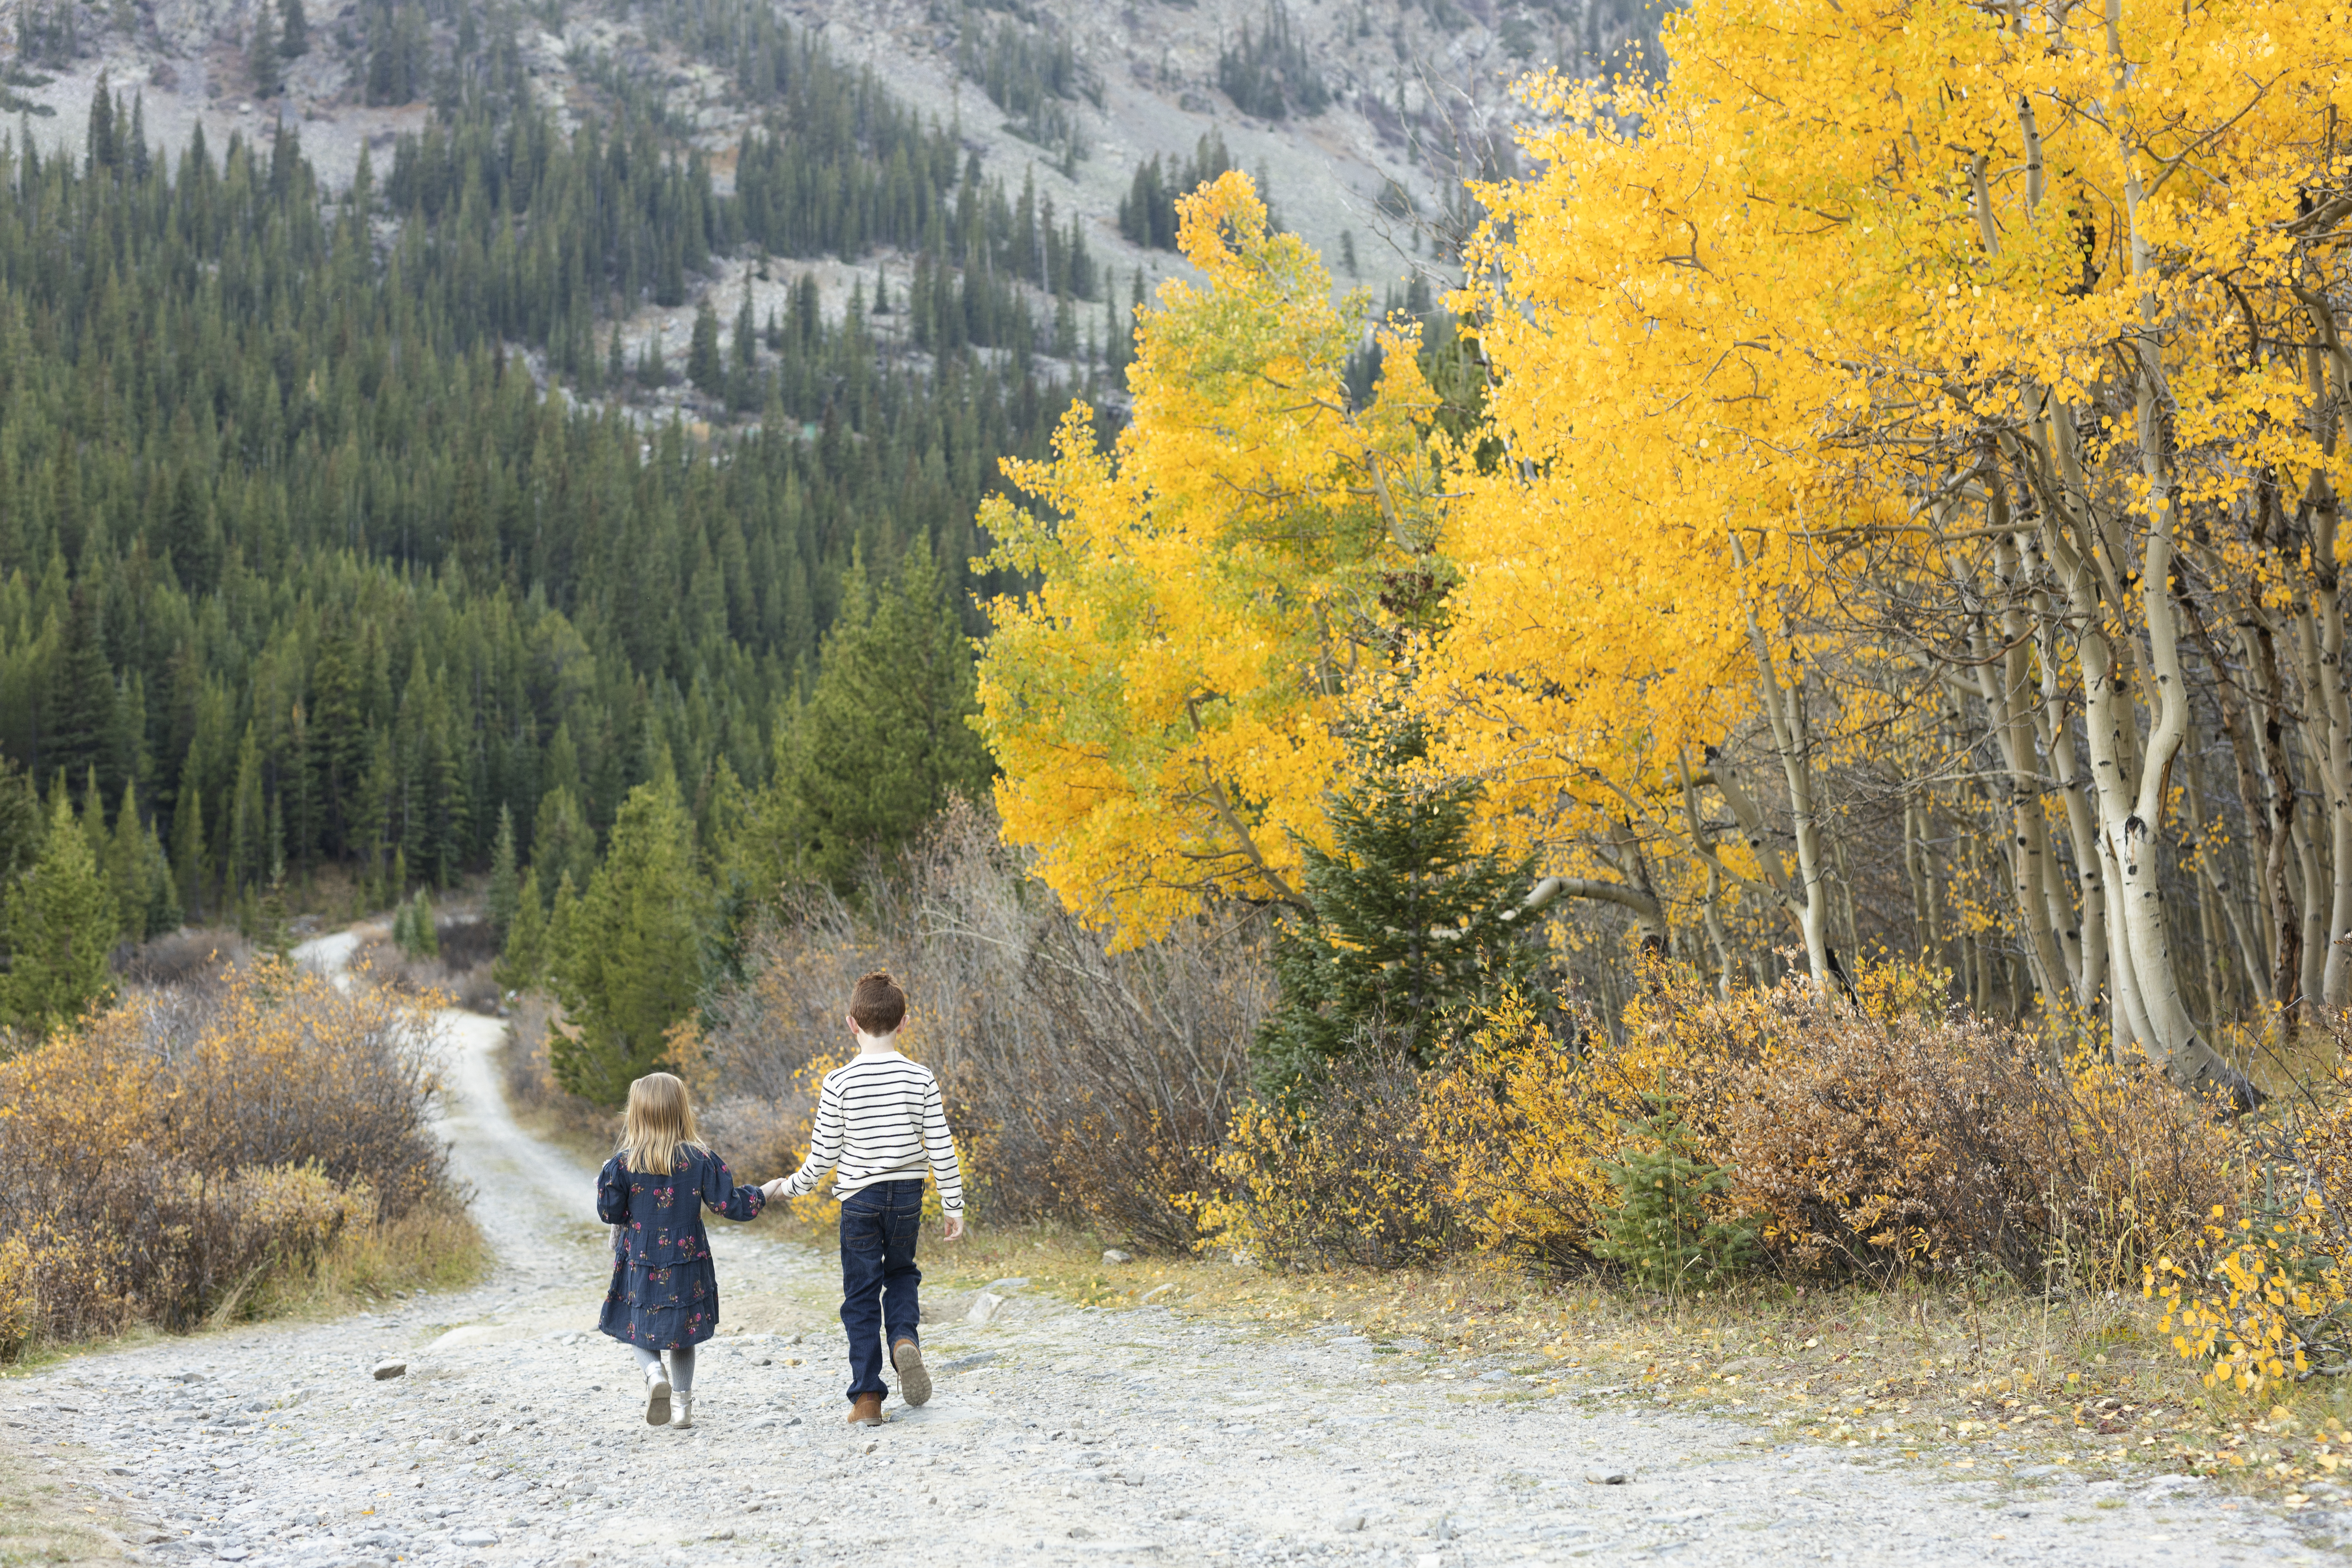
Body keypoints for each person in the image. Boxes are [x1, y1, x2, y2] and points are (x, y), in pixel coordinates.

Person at [765, 970, 965, 1426]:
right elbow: (941, 1144)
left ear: (851, 1023)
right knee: (901, 1273)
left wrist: (787, 1187)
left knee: (860, 1295)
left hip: (858, 1199)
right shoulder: (921, 1078)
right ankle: (902, 1340)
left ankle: (868, 1399)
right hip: (908, 1197)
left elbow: (822, 1157)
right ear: (905, 1022)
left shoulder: (839, 1082)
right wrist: (953, 1205)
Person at [595, 1071, 767, 1429]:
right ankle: (683, 1409)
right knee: (683, 1330)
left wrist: (607, 1182)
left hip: (641, 1258)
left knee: (636, 1324)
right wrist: (766, 1193)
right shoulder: (701, 1158)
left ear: (636, 1114)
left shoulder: (623, 1164)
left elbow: (609, 1212)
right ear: (681, 1111)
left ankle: (655, 1375)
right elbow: (730, 1205)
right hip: (687, 1258)